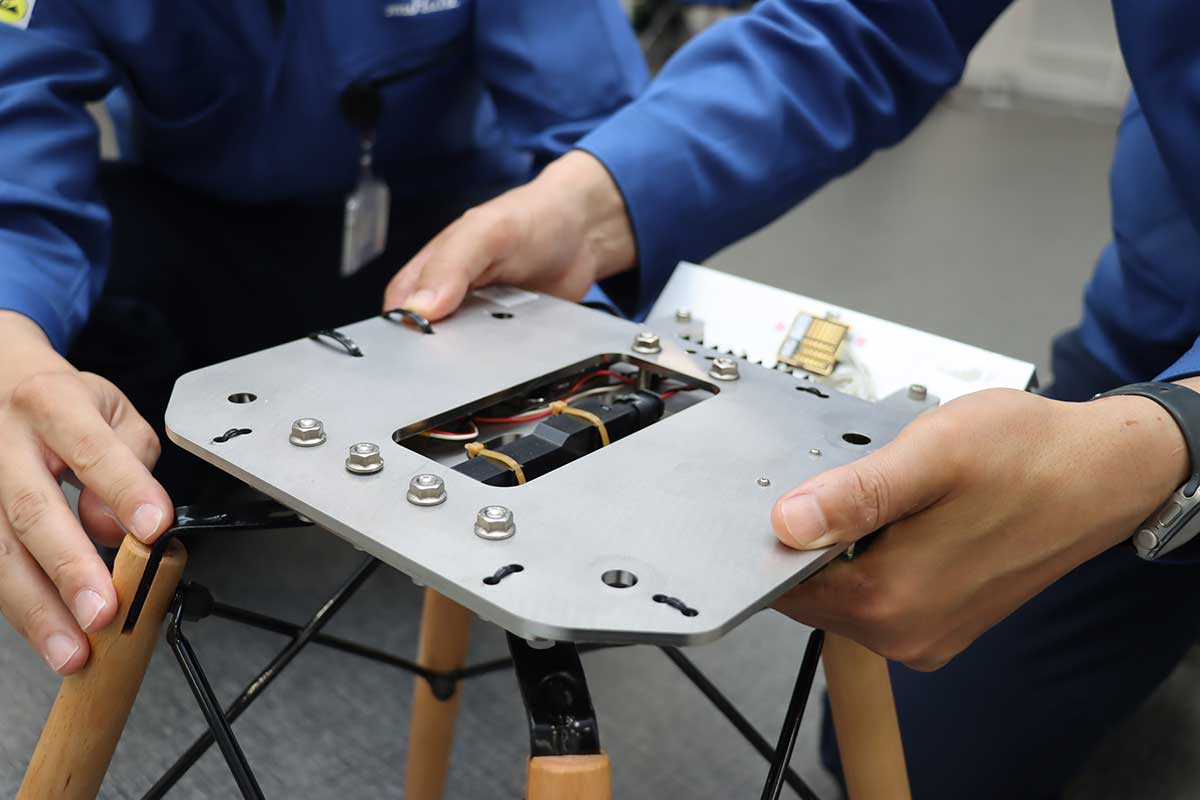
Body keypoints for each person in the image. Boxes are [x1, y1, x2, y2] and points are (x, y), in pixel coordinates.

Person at [384, 1, 1200, 797]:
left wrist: (1168, 444)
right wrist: (589, 205)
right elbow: (863, 19)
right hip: (1155, 330)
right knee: (918, 758)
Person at [0, 1, 647, 678]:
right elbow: (17, 150)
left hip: (433, 252)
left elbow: (595, 143)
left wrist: (586, 349)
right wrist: (11, 341)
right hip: (195, 235)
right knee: (90, 404)